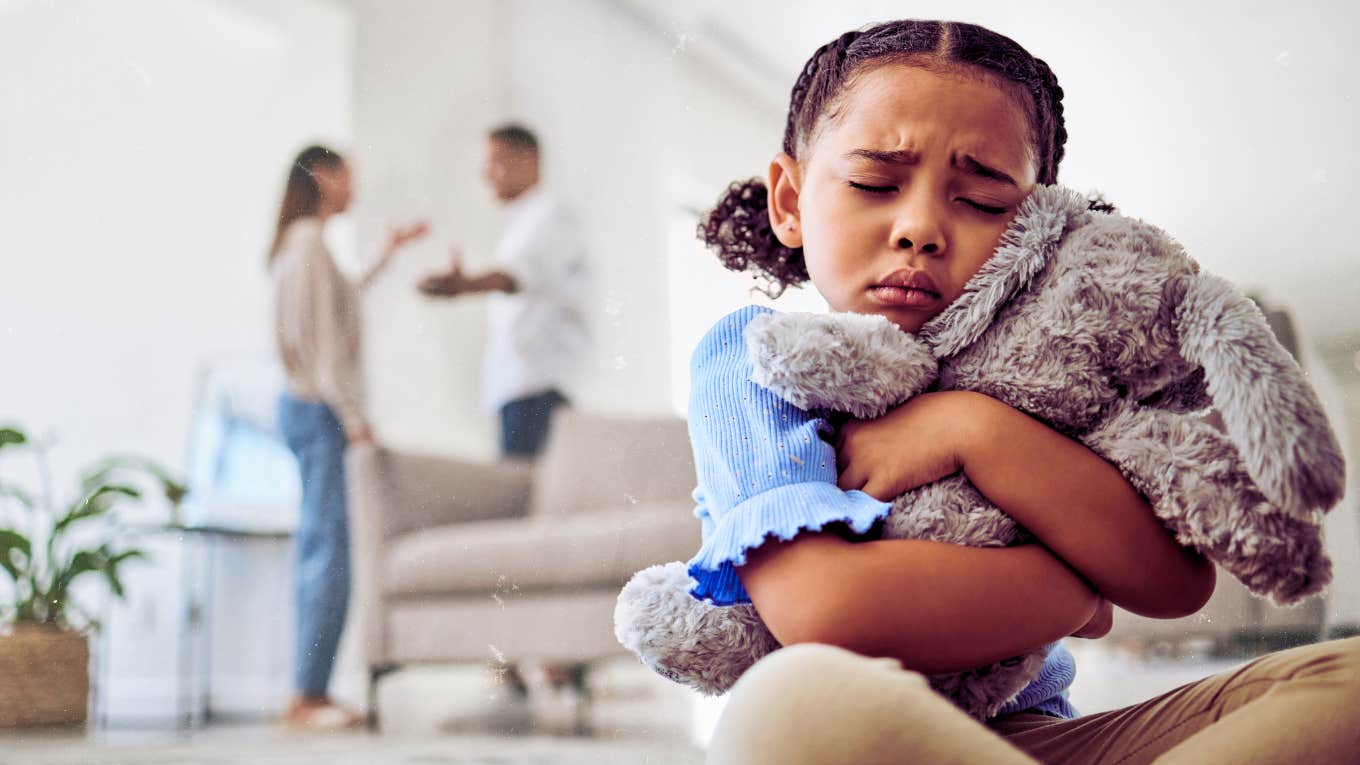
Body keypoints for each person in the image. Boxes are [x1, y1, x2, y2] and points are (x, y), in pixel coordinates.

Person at [684, 20, 1360, 765]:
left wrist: (970, 428)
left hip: (1035, 743)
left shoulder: (1047, 376)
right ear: (789, 199)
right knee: (791, 701)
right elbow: (826, 611)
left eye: (981, 200)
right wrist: (1076, 592)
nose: (920, 228)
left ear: (1043, 231)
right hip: (860, 735)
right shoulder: (755, 360)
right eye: (876, 183)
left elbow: (1173, 583)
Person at [269, 144, 427, 730]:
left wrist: (386, 252)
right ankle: (309, 696)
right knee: (328, 551)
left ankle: (310, 691)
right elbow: (323, 346)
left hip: (306, 408)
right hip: (318, 411)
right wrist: (354, 416)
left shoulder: (304, 244)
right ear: (325, 177)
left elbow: (338, 306)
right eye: (348, 176)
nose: (354, 186)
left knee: (324, 547)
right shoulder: (309, 242)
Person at [418, 124, 590, 460]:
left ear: (530, 160)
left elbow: (517, 275)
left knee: (526, 496)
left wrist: (465, 285)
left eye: (496, 161)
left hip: (537, 388)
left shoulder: (552, 214)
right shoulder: (521, 223)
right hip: (518, 389)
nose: (486, 174)